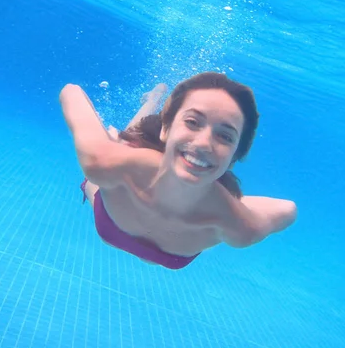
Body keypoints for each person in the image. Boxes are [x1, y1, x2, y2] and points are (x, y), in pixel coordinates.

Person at [59, 72, 296, 270]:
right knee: (125, 140)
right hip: (115, 185)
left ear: (234, 158)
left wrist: (232, 204)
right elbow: (71, 91)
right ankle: (152, 100)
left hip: (197, 201)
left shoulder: (240, 225)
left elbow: (289, 209)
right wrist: (100, 143)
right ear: (165, 129)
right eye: (193, 122)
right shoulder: (106, 161)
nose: (204, 143)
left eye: (225, 136)